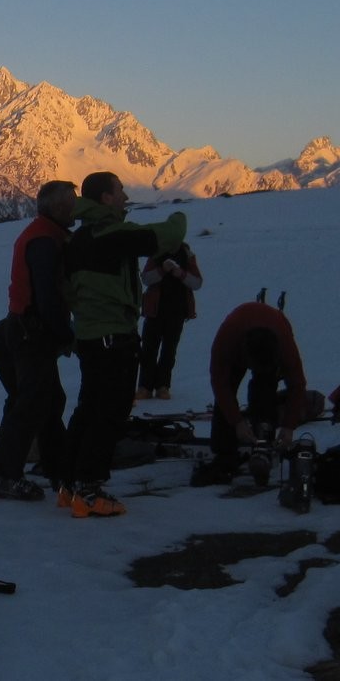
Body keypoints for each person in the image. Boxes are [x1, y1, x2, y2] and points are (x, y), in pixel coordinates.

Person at [60, 171, 186, 517]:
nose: (126, 197)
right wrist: (180, 215)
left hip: (88, 336)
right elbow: (167, 236)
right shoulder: (114, 235)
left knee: (87, 409)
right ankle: (89, 490)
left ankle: (68, 484)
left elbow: (67, 290)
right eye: (120, 191)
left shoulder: (78, 239)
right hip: (115, 337)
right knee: (110, 414)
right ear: (106, 198)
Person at [0, 180, 77, 501]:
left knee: (45, 401)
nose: (75, 206)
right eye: (71, 201)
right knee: (34, 403)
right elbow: (47, 296)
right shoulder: (44, 240)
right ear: (57, 207)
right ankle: (6, 474)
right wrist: (65, 334)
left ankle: (55, 467)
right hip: (31, 332)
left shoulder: (45, 234)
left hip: (22, 328)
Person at [190, 301, 308, 486]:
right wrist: (236, 421)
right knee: (227, 392)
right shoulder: (227, 340)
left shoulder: (284, 343)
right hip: (237, 340)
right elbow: (220, 384)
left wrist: (288, 426)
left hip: (271, 334)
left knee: (265, 388)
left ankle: (263, 442)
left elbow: (297, 384)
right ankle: (225, 454)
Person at [135, 243, 203, 400]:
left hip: (177, 311)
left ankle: (162, 386)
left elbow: (197, 282)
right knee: (148, 349)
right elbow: (146, 278)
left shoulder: (187, 254)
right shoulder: (157, 252)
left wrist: (180, 273)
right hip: (155, 311)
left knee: (169, 351)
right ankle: (145, 386)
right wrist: (162, 270)